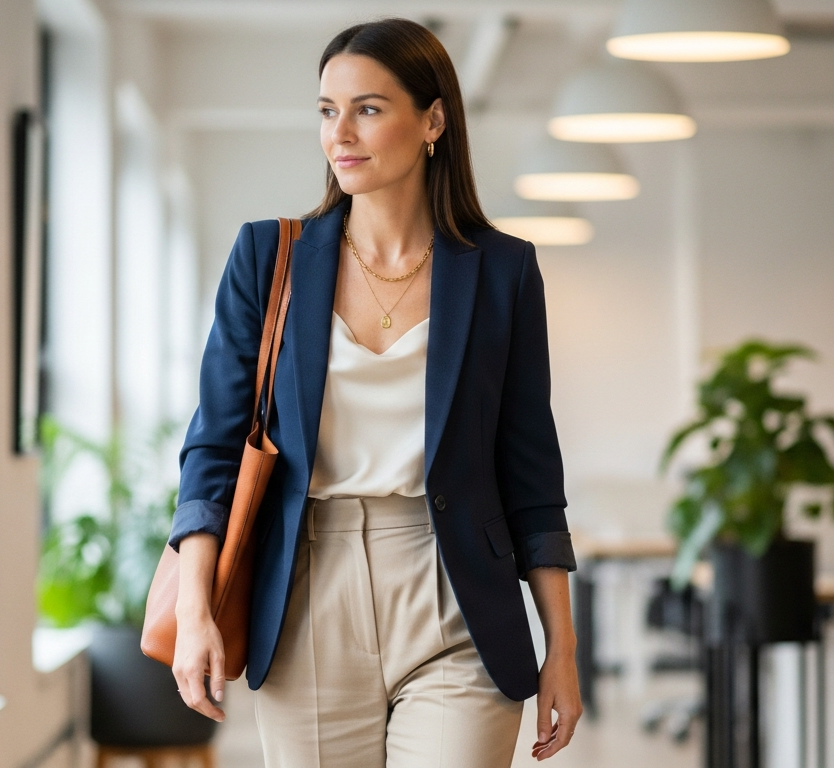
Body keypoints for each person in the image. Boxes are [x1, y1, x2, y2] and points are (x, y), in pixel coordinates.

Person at [160, 17, 581, 767]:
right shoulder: (268, 259)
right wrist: (195, 611)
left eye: (369, 108)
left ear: (433, 120)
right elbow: (214, 448)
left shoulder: (502, 273)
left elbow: (532, 477)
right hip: (307, 599)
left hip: (456, 601)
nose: (340, 133)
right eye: (327, 110)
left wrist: (563, 649)